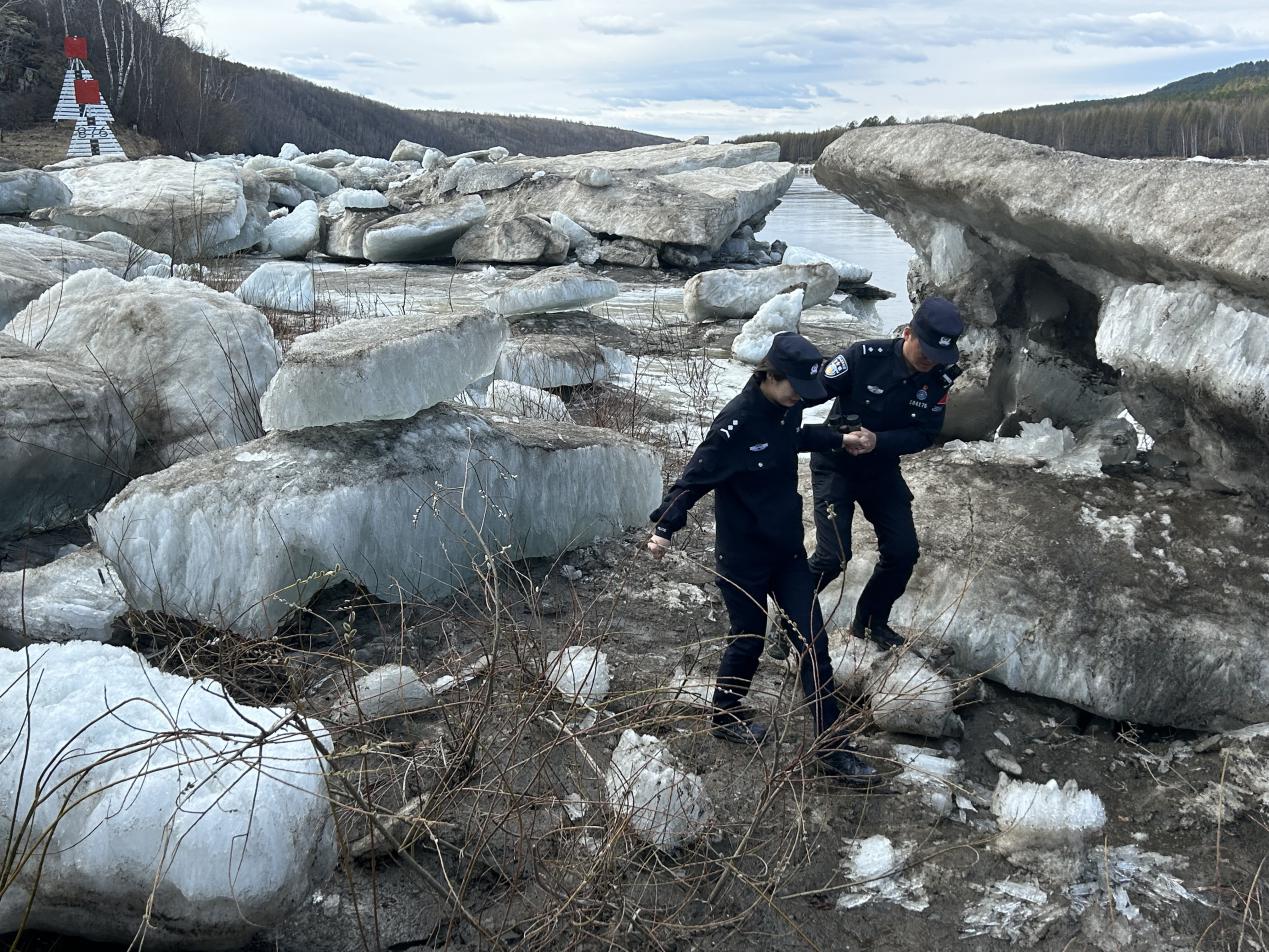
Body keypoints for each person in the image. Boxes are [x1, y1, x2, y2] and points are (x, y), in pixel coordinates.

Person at [646, 332, 879, 786]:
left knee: (813, 644)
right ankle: (726, 713)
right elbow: (694, 478)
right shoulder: (735, 423)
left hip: (787, 551)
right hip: (742, 556)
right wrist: (664, 528)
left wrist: (837, 438)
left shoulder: (787, 410)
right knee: (749, 637)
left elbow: (792, 437)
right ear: (769, 375)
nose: (799, 399)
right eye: (793, 387)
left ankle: (830, 749)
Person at [805, 296, 964, 650]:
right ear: (908, 334)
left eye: (939, 358)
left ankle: (871, 623)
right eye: (926, 354)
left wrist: (878, 441)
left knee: (903, 551)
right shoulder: (863, 357)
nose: (930, 364)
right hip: (836, 466)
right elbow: (811, 392)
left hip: (880, 468)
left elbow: (924, 434)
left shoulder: (938, 380)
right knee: (833, 557)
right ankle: (792, 619)